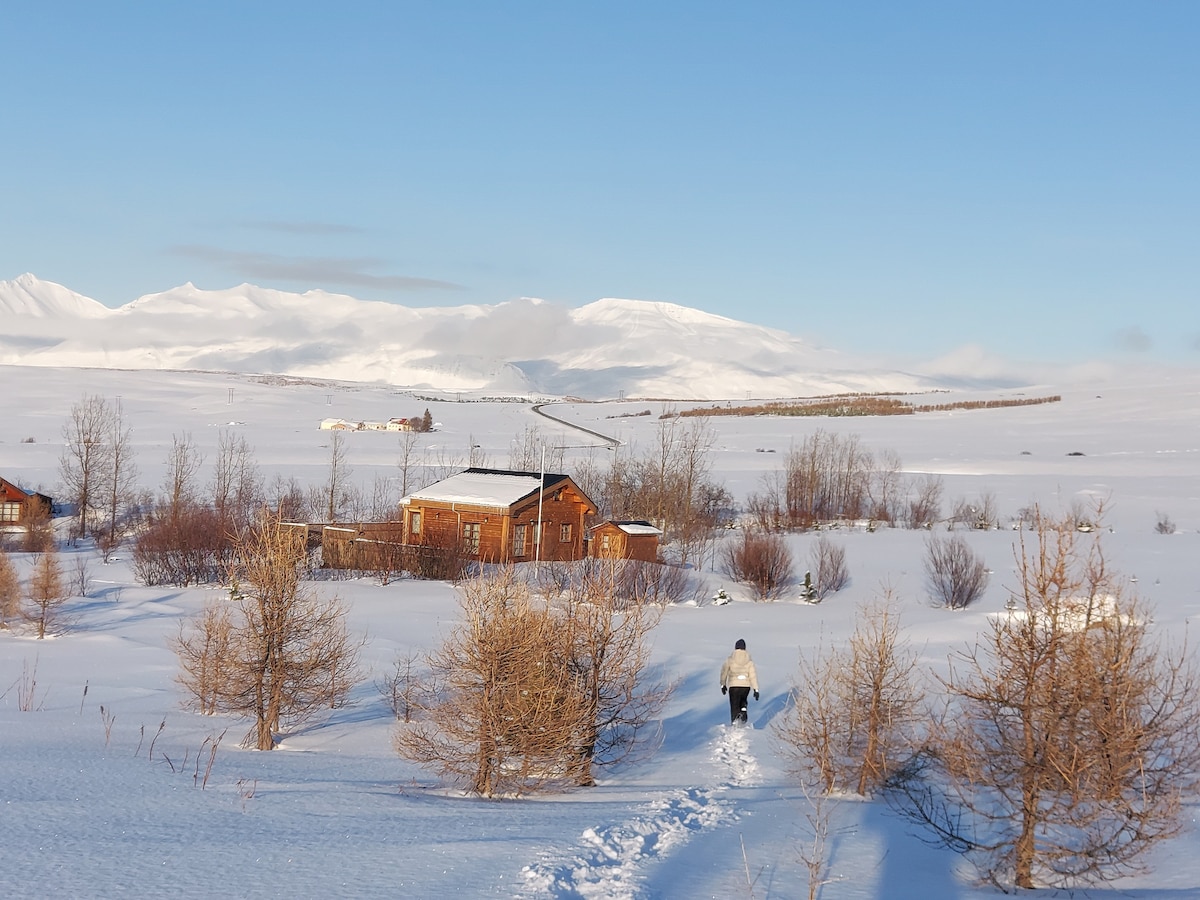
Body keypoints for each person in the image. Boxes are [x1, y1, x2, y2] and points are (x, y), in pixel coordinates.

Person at [720, 638, 759, 724]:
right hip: (746, 686)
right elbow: (753, 676)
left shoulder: (730, 660)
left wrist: (723, 684)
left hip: (734, 686)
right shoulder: (749, 661)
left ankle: (734, 722)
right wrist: (756, 689)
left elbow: (724, 672)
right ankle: (743, 709)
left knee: (734, 704)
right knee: (743, 700)